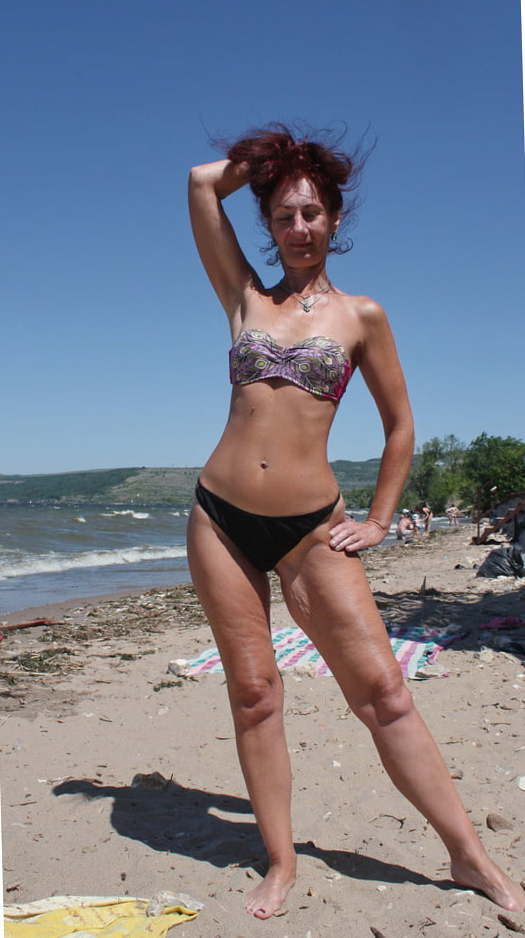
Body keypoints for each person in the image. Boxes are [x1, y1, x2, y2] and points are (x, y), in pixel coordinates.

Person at [186, 125, 524, 919]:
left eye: (310, 212)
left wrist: (378, 520)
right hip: (220, 520)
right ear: (268, 226)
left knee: (383, 693)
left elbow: (400, 428)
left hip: (312, 527)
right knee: (253, 693)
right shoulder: (244, 297)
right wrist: (274, 162)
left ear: (334, 219)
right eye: (282, 215)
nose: (297, 227)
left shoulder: (361, 315)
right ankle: (279, 862)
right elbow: (202, 184)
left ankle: (469, 857)